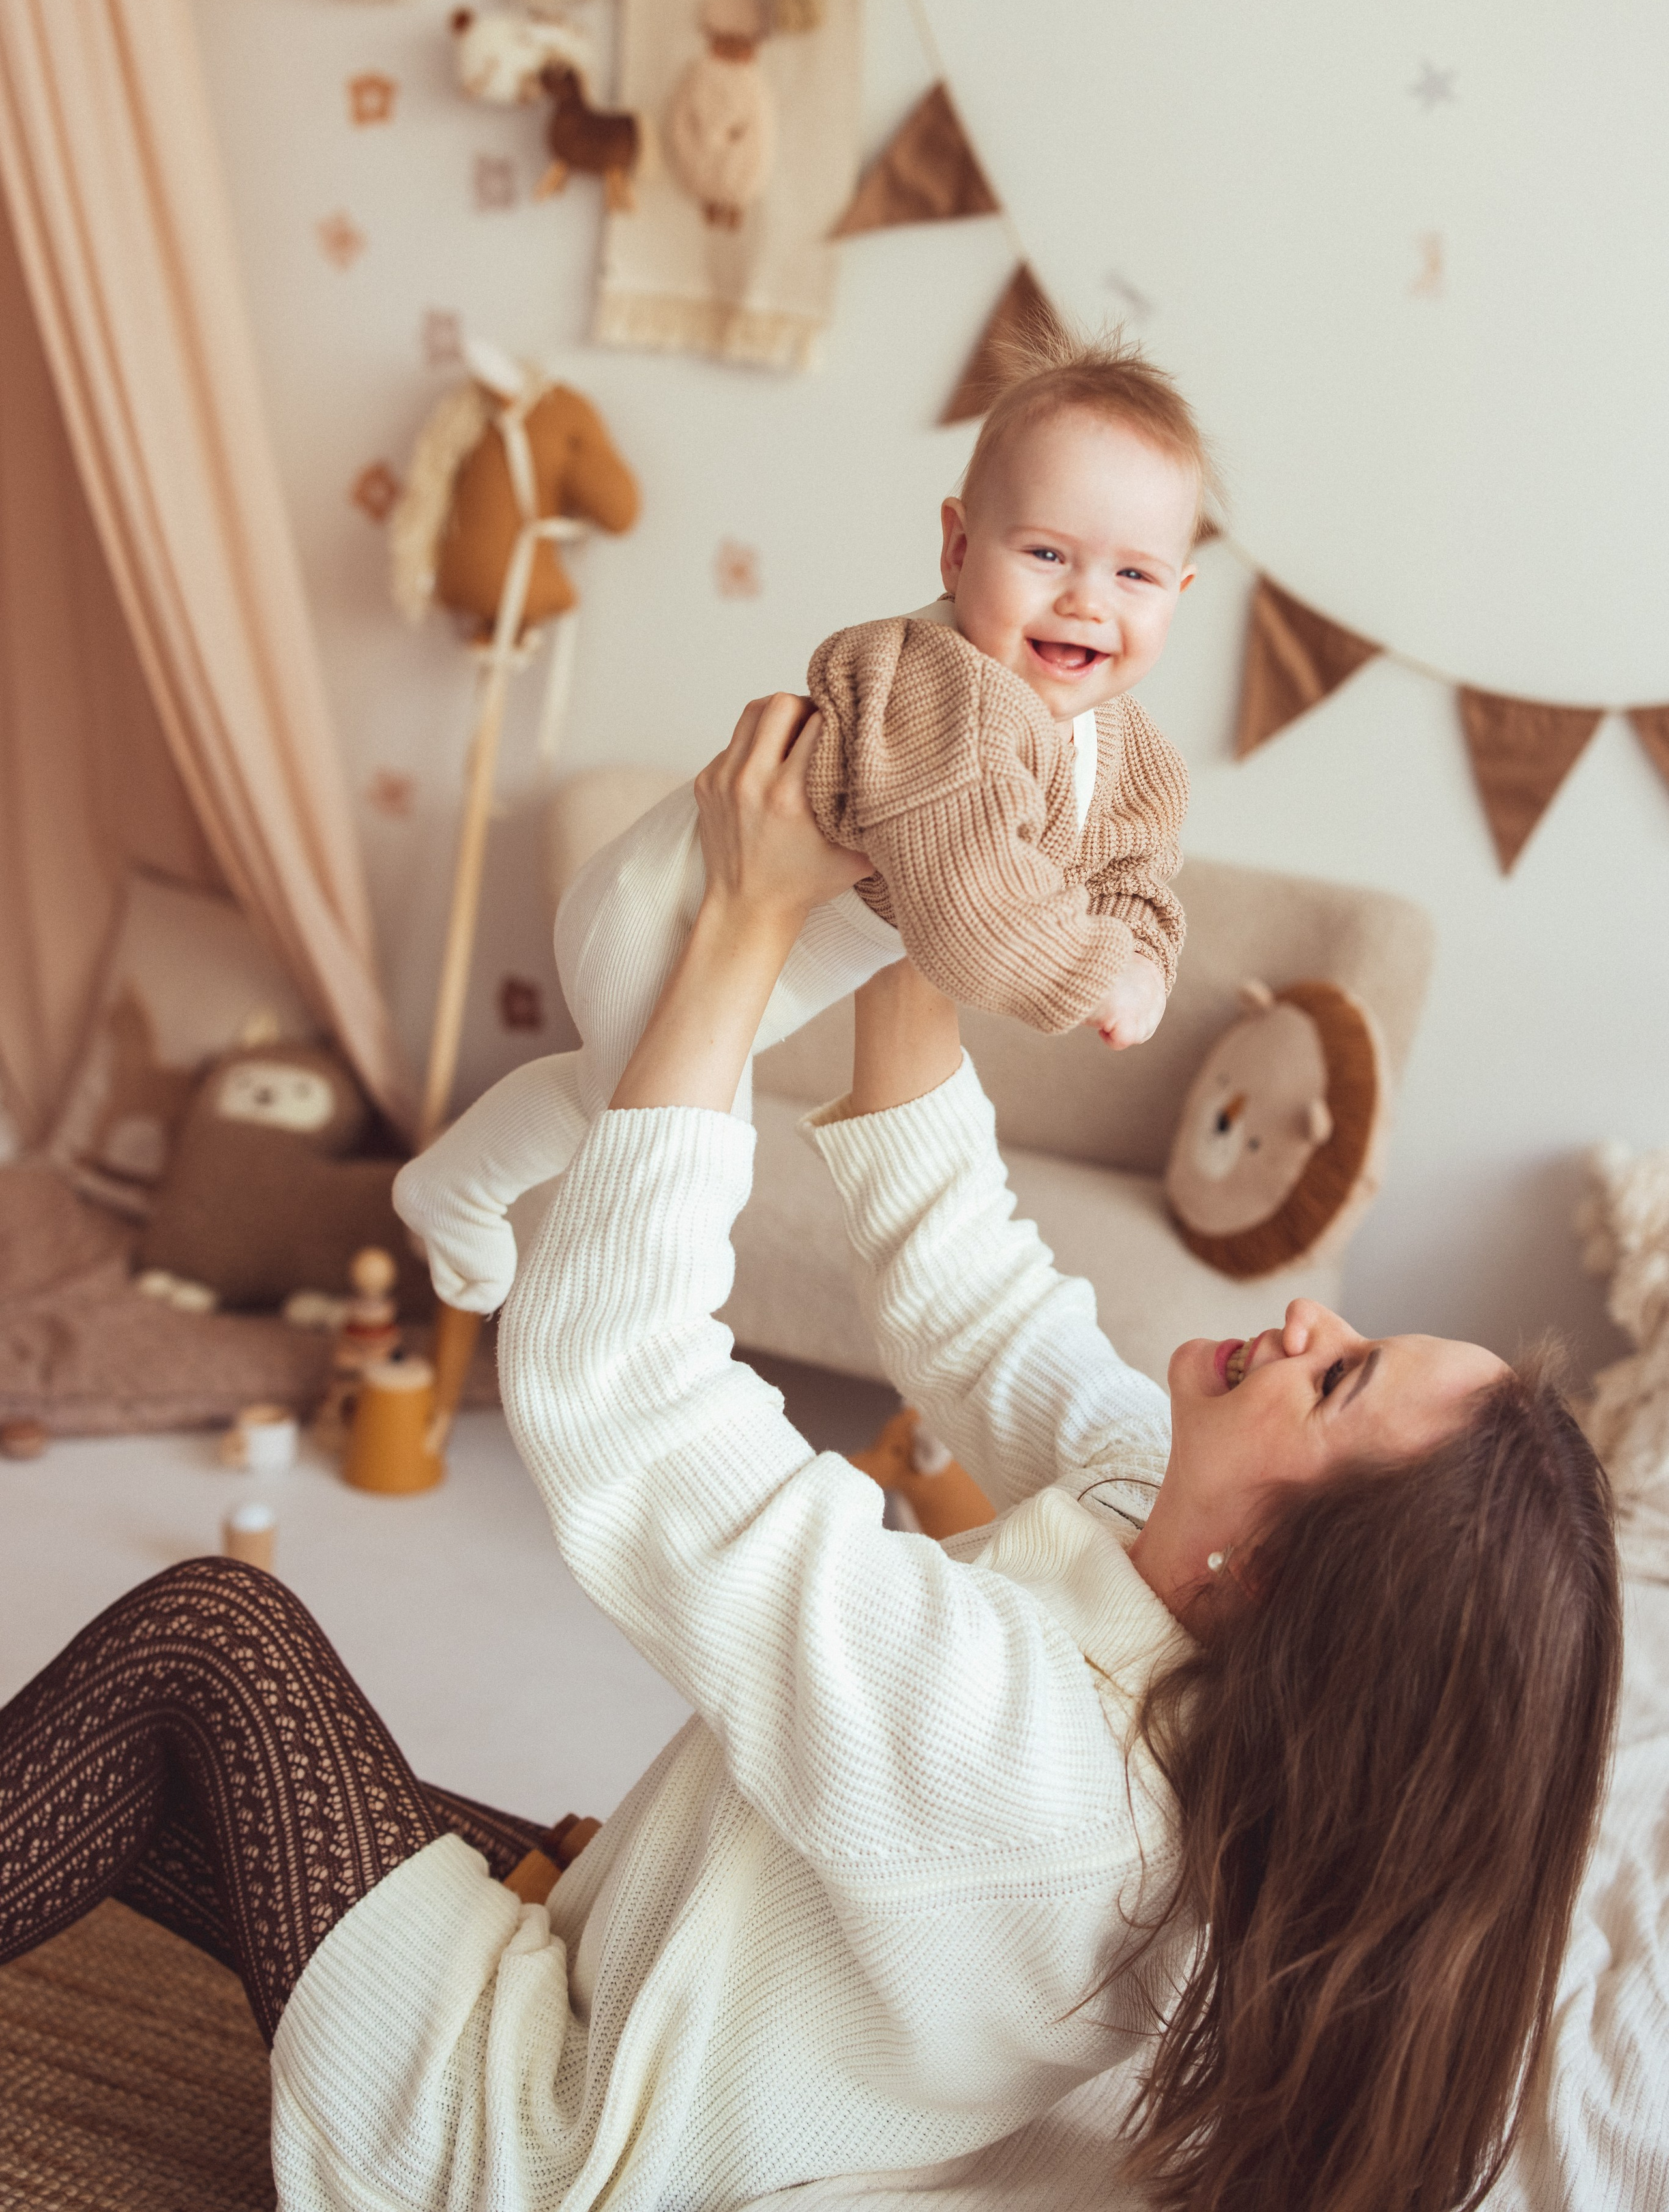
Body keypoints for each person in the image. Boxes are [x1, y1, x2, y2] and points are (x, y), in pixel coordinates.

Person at [0, 698, 1620, 2212]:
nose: (1302, 1319)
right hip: (624, 1989)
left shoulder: (1040, 1767)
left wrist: (743, 919)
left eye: (1334, 1380)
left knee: (215, 1640)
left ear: (1276, 1572)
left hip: (542, 2149)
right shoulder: (1180, 1566)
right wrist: (933, 893)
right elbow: (972, 1291)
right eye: (1355, 1333)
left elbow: (624, 1382)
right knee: (177, 1795)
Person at [394, 323, 1200, 1319]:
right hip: (663, 922)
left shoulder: (1127, 745)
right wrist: (1093, 972)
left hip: (750, 951)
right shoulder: (945, 690)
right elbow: (975, 914)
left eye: (1134, 576)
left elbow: (1134, 872)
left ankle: (454, 1185)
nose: (1085, 601)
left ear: (1179, 593)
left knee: (610, 1101)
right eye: (1045, 553)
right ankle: (514, 1238)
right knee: (686, 1148)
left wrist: (1149, 961)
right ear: (957, 547)